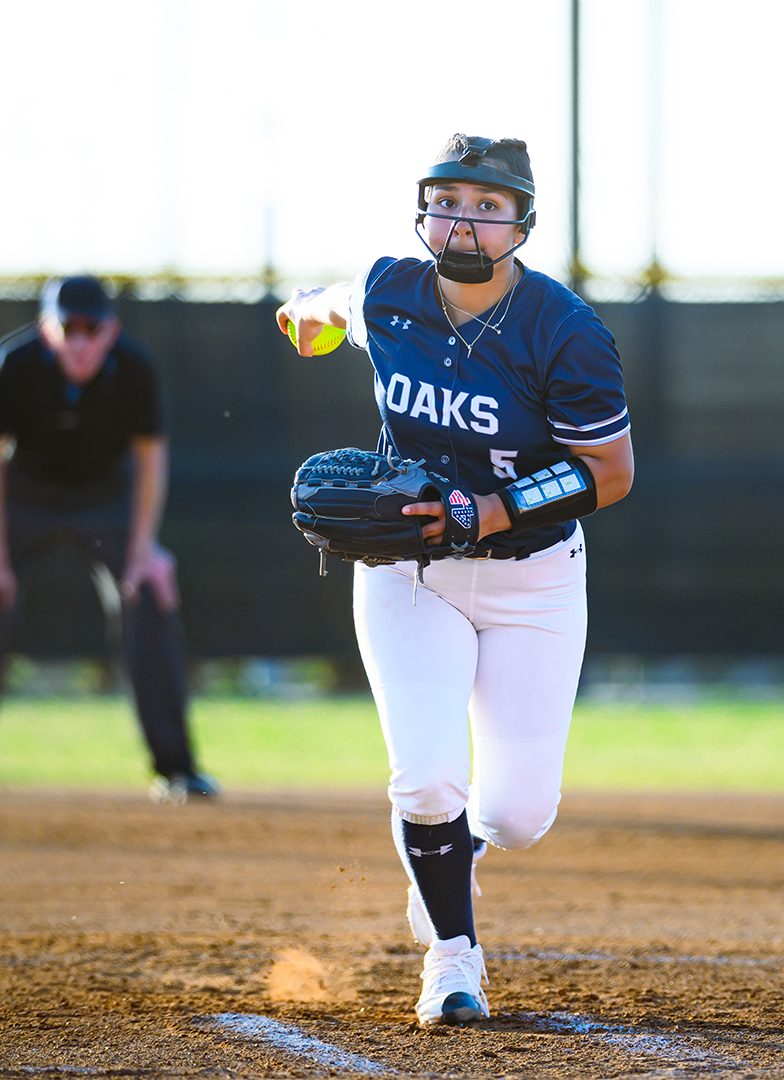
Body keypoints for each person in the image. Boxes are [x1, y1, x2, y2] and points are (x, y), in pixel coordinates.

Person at [275, 134, 634, 1027]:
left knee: (517, 816)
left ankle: (458, 850)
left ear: (522, 220)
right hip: (410, 571)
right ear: (424, 209)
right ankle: (452, 959)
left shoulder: (567, 330)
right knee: (428, 781)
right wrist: (305, 321)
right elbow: (315, 314)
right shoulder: (386, 291)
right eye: (448, 199)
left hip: (535, 578)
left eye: (488, 204)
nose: (465, 219)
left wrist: (486, 510)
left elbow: (610, 473)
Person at [0, 277, 216, 803]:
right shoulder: (14, 366)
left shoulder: (135, 367)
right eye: (66, 328)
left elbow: (151, 460)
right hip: (23, 493)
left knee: (150, 590)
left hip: (104, 497)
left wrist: (145, 550)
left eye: (90, 329)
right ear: (46, 330)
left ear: (110, 330)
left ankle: (177, 770)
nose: (79, 341)